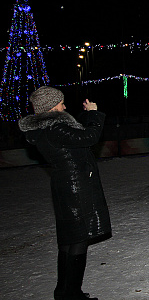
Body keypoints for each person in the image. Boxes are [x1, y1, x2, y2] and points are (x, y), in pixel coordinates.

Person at [18, 86, 111, 300]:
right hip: (75, 186)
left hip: (63, 186)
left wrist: (85, 115)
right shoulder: (54, 128)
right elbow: (89, 137)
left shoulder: (45, 128)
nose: (65, 106)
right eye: (61, 103)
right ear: (51, 107)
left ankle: (63, 291)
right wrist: (95, 114)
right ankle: (73, 294)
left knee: (68, 240)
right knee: (79, 239)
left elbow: (74, 133)